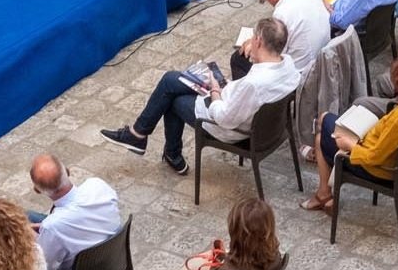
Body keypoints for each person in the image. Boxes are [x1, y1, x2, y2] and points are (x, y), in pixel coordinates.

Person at [101, 17, 301, 175]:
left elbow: (224, 119)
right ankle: (145, 138)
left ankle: (153, 143)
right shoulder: (289, 65)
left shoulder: (253, 84)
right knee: (172, 80)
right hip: (266, 125)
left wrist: (215, 91)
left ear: (257, 41)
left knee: (172, 97)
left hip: (230, 126)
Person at [304, 53, 398, 212]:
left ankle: (324, 194)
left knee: (322, 132)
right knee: (325, 127)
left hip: (380, 168)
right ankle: (326, 195)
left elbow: (374, 157)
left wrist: (350, 145)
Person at [237, 0, 330, 77]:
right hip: (320, 64)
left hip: (298, 75)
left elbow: (272, 56)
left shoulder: (282, 14)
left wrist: (254, 45)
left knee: (238, 59)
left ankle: (251, 92)